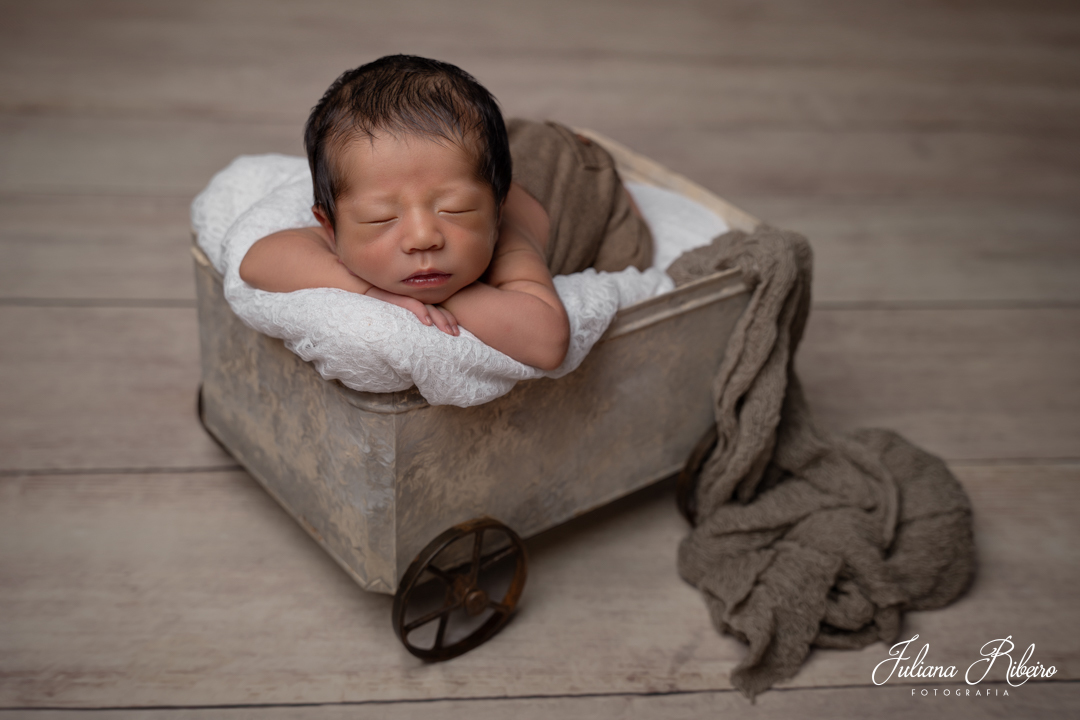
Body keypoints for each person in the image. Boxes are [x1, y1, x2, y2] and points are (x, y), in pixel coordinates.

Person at [239, 55, 652, 371]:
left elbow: (548, 344)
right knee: (458, 156)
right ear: (329, 227)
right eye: (381, 218)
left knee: (631, 255)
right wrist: (373, 292)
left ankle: (616, 183)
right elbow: (257, 262)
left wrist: (451, 294)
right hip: (497, 156)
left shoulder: (509, 243)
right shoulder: (351, 227)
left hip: (580, 178)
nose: (423, 237)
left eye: (456, 210)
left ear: (496, 213)